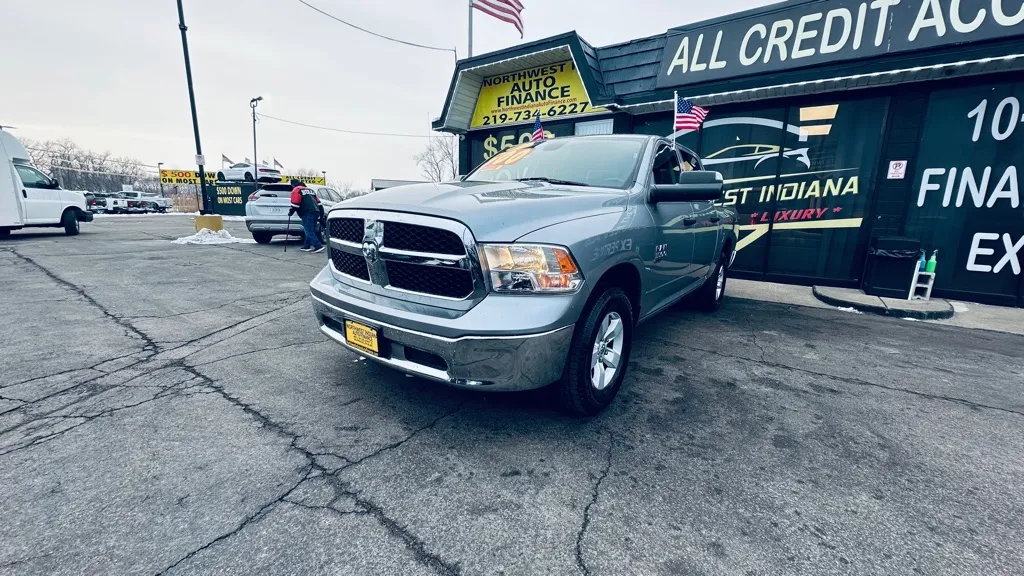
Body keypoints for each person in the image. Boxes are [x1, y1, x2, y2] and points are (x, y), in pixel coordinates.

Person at [288, 179, 324, 253]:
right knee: (311, 230)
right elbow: (319, 204)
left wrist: (290, 212)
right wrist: (321, 215)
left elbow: (295, 204)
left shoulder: (296, 190)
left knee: (308, 230)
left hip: (307, 212)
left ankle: (318, 246)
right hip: (316, 211)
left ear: (293, 185)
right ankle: (306, 246)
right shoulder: (311, 190)